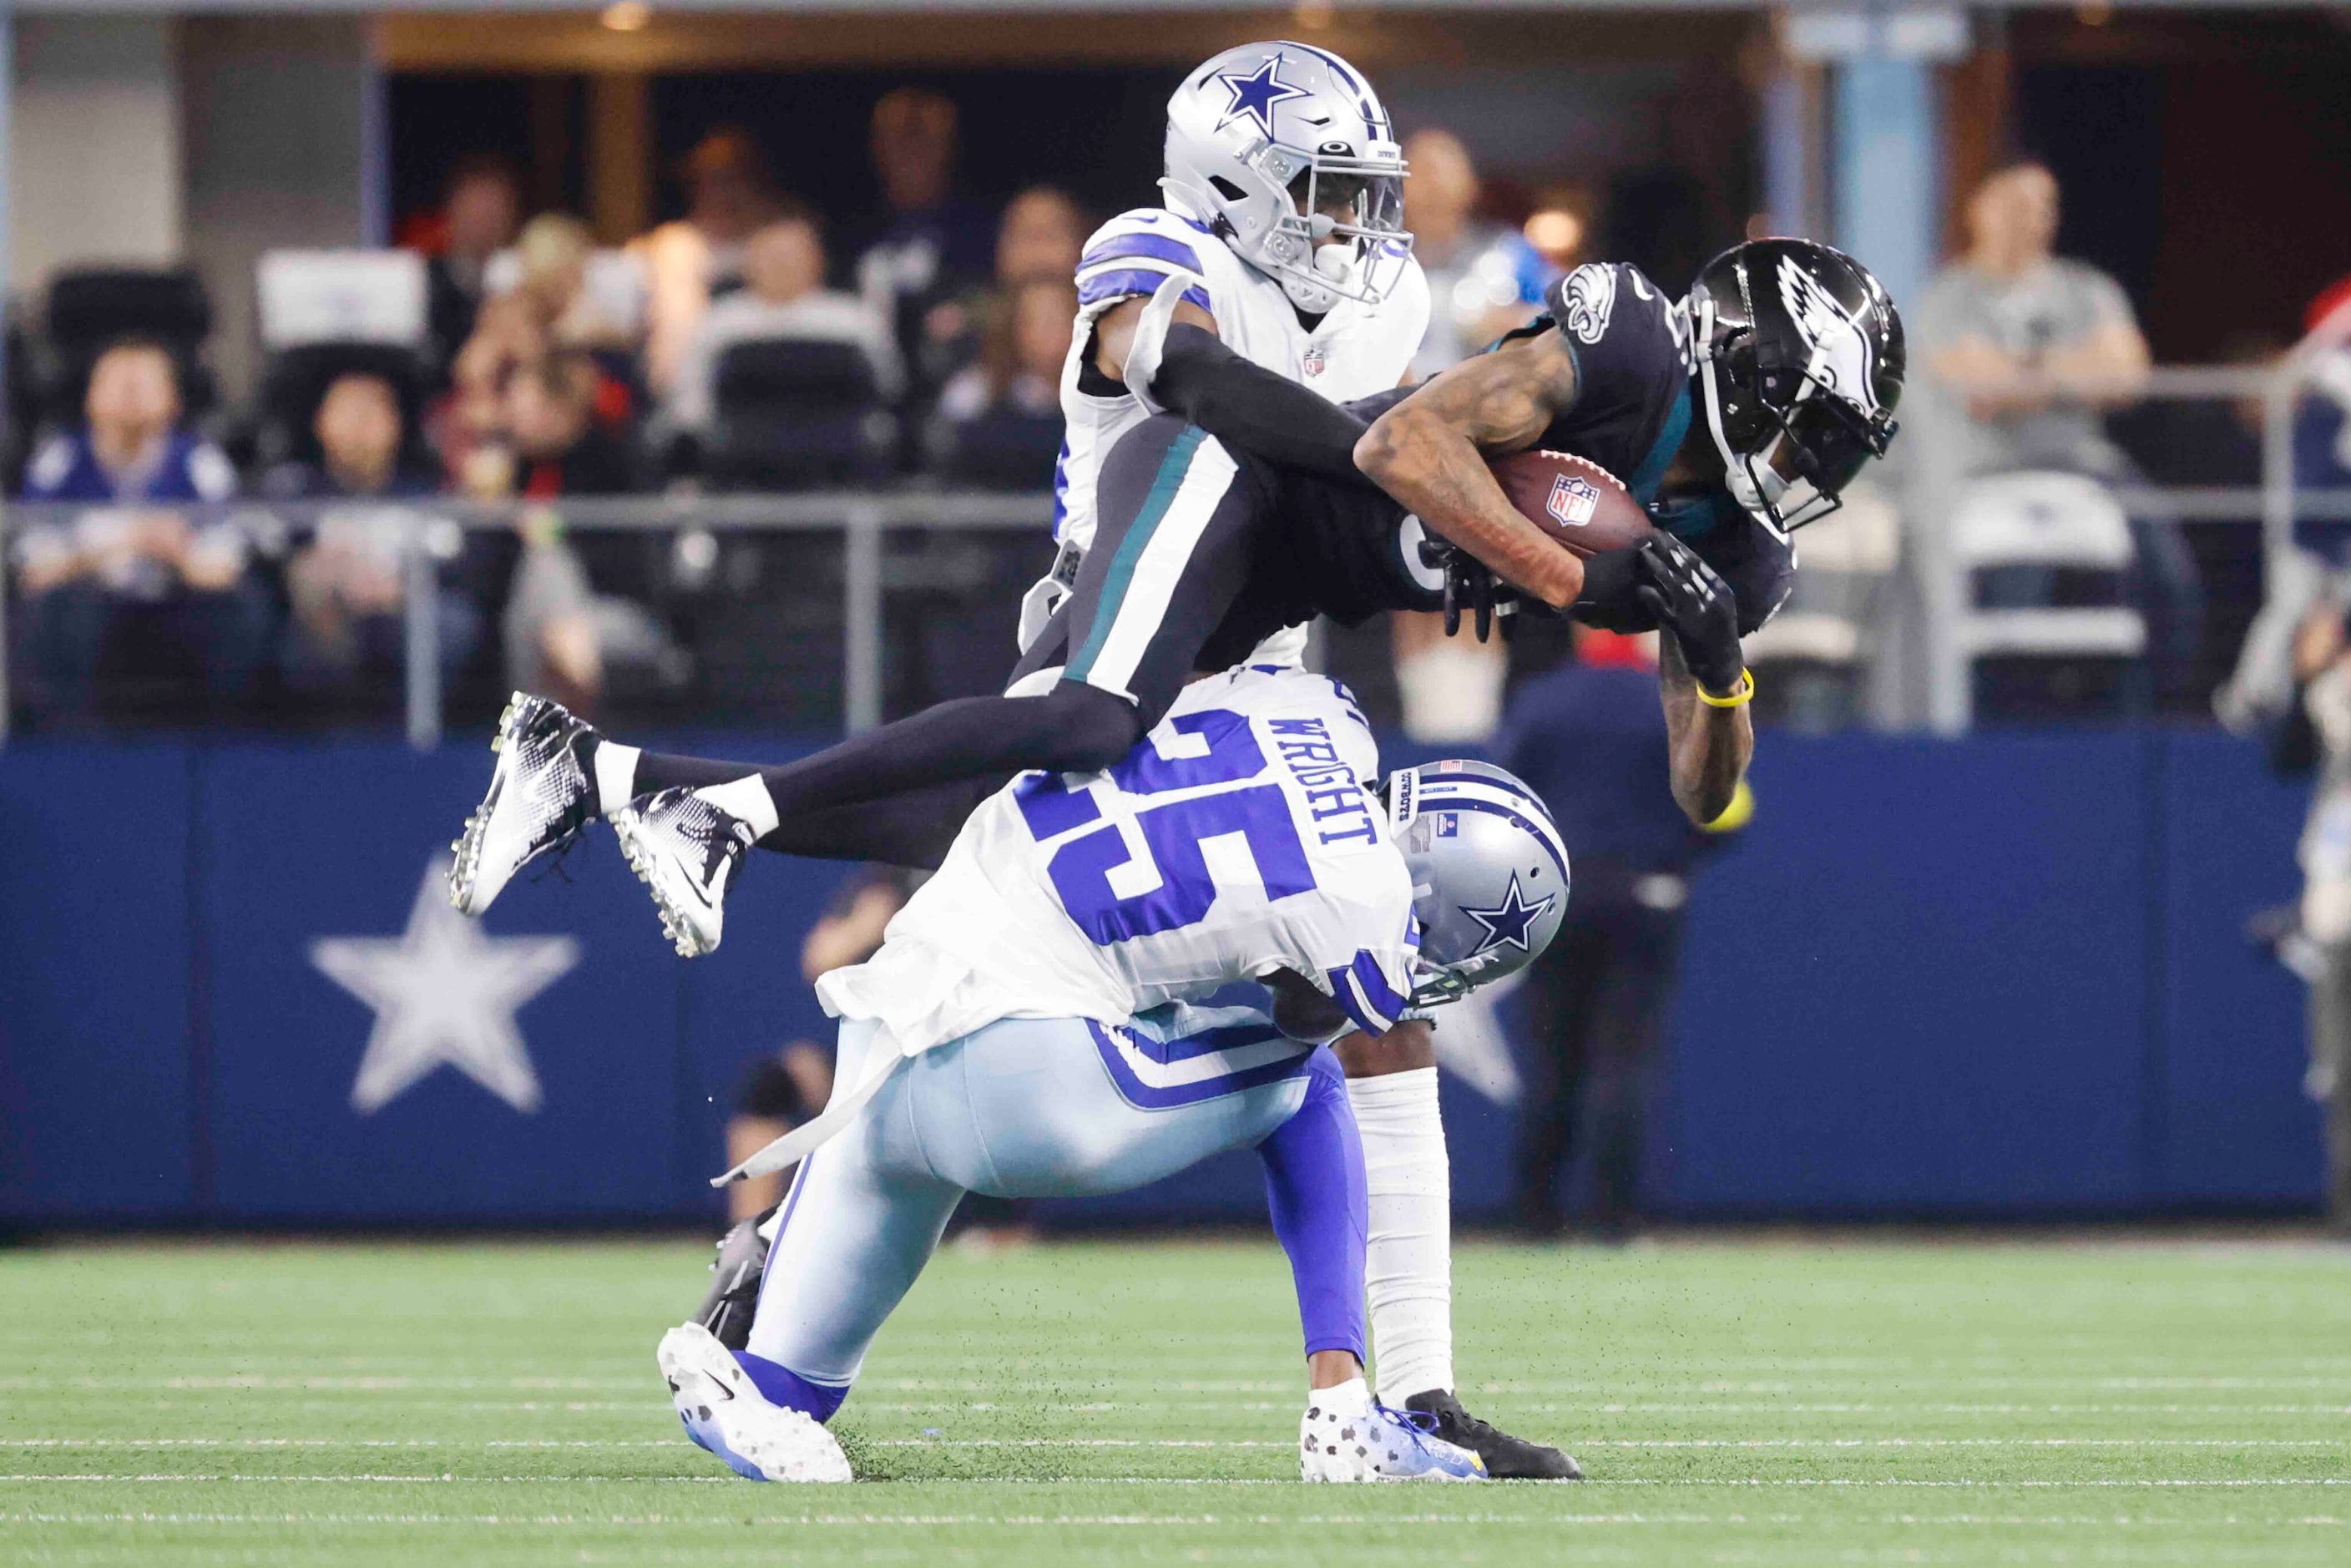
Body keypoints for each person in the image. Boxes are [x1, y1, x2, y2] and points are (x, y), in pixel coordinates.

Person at [651, 665, 1563, 1484]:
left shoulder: (1304, 701)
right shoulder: (1366, 904)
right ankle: (1340, 1407)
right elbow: (1332, 1021)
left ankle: (742, 1379)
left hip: (889, 1026)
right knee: (1309, 1082)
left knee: (784, 1405)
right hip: (1021, 1070)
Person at [1914, 159, 2199, 706]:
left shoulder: (2086, 289)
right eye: (2019, 204)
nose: (2036, 219)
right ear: (1981, 210)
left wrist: (2026, 369)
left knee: (2170, 580)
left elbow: (2127, 376)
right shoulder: (1949, 297)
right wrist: (2075, 370)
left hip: (2091, 469)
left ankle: (2153, 718)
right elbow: (1983, 388)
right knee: (2015, 620)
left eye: (2046, 206)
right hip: (1987, 478)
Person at [1493, 625, 1746, 1237]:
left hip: (1554, 899)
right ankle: (1614, 1220)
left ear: (1582, 632)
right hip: (1645, 893)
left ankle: (1534, 1215)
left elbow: (1504, 801)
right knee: (1623, 1062)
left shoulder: (1541, 700)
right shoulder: (1672, 708)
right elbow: (1723, 808)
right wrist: (1674, 855)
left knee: (1551, 1057)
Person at [1389, 129, 1556, 743]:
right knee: (1411, 579)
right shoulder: (1375, 260)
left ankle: (1472, 725)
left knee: (1474, 573)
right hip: (1395, 441)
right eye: (1418, 171)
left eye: (1443, 170)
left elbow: (1565, 328)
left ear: (1469, 185)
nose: (1430, 184)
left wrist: (1513, 328)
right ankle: (1425, 722)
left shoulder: (1507, 255)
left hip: (1483, 447)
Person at [10, 337, 266, 726]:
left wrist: (173, 553)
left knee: (240, 608)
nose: (130, 393)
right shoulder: (60, 461)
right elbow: (37, 572)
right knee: (54, 611)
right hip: (90, 603)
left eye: (144, 383)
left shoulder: (200, 462)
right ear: (90, 399)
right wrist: (111, 548)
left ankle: (220, 743)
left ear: (174, 400)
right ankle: (66, 746)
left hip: (174, 601)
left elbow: (224, 570)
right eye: (117, 382)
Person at [265, 371, 478, 702]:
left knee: (450, 621)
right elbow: (266, 548)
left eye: (373, 412)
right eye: (348, 411)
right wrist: (331, 574)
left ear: (395, 426)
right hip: (321, 625)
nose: (360, 425)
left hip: (398, 612)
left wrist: (402, 585)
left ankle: (418, 736)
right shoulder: (295, 488)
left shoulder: (422, 494)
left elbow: (456, 559)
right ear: (321, 422)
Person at [663, 204, 900, 438]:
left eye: (791, 255)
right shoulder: (718, 322)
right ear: (748, 262)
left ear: (818, 260)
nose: (781, 265)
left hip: (841, 457)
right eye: (771, 256)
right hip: (740, 457)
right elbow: (691, 399)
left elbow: (887, 390)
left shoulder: (854, 321)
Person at [850, 89, 999, 400]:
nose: (911, 156)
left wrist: (970, 314)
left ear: (949, 149)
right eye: (900, 142)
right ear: (877, 149)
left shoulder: (979, 231)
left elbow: (1001, 300)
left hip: (956, 385)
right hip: (866, 387)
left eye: (925, 143)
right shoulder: (852, 231)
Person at [635, 129, 784, 397]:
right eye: (711, 179)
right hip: (683, 391)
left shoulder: (778, 243)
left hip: (763, 385)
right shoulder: (672, 243)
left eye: (734, 178)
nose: (723, 192)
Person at [421, 154, 523, 379]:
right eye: (474, 213)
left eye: (492, 213)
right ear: (451, 215)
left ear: (512, 217)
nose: (483, 225)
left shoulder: (527, 285)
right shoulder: (422, 283)